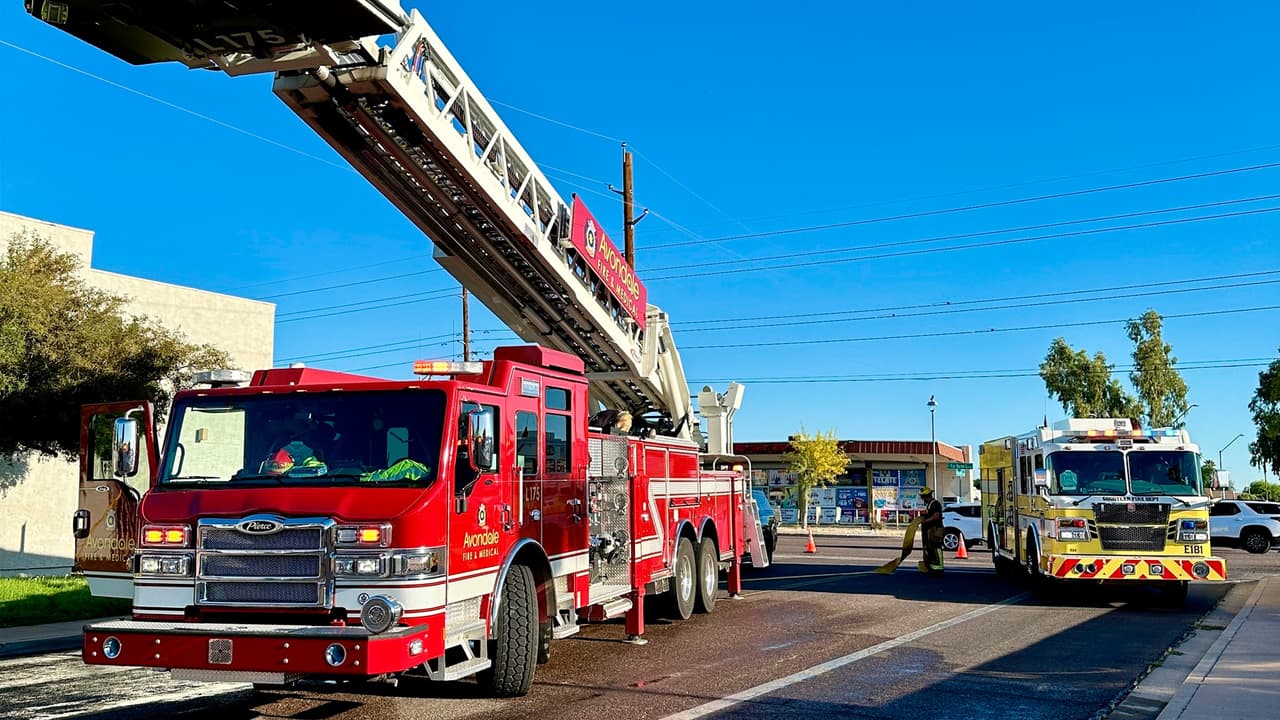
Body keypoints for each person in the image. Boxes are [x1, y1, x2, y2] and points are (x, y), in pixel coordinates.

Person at [919, 487, 945, 575]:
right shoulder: (929, 504)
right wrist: (924, 514)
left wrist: (925, 521)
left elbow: (936, 516)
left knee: (936, 548)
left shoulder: (935, 504)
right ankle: (932, 566)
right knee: (930, 548)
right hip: (930, 530)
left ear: (926, 496)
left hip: (936, 529)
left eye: (923, 497)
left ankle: (938, 567)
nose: (922, 499)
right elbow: (930, 513)